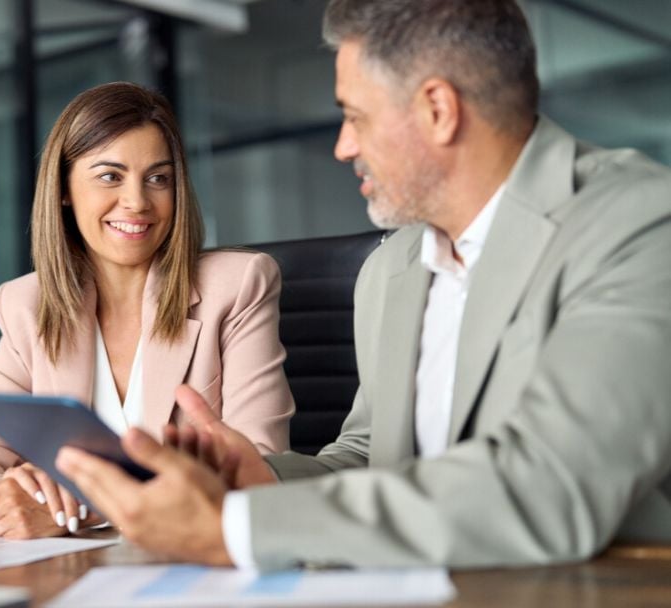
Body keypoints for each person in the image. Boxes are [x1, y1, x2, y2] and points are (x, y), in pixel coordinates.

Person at [57, 0, 671, 570]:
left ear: (438, 109)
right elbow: (371, 456)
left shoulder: (637, 223)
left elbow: (551, 486)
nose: (343, 146)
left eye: (355, 117)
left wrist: (240, 525)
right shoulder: (393, 267)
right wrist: (264, 479)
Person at [0, 82, 295, 539]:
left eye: (158, 178)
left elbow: (258, 466)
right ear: (63, 190)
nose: (137, 201)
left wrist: (73, 509)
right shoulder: (28, 307)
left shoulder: (236, 286)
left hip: (194, 559)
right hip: (71, 570)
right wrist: (1, 504)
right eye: (110, 176)